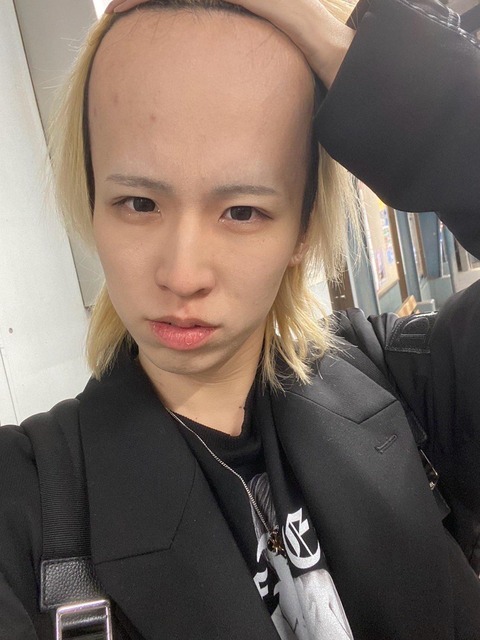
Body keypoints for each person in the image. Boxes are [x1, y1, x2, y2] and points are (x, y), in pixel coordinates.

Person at [0, 0, 479, 638]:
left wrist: (334, 43)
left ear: (303, 228)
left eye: (242, 212)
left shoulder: (404, 383)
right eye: (138, 203)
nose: (183, 273)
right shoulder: (25, 513)